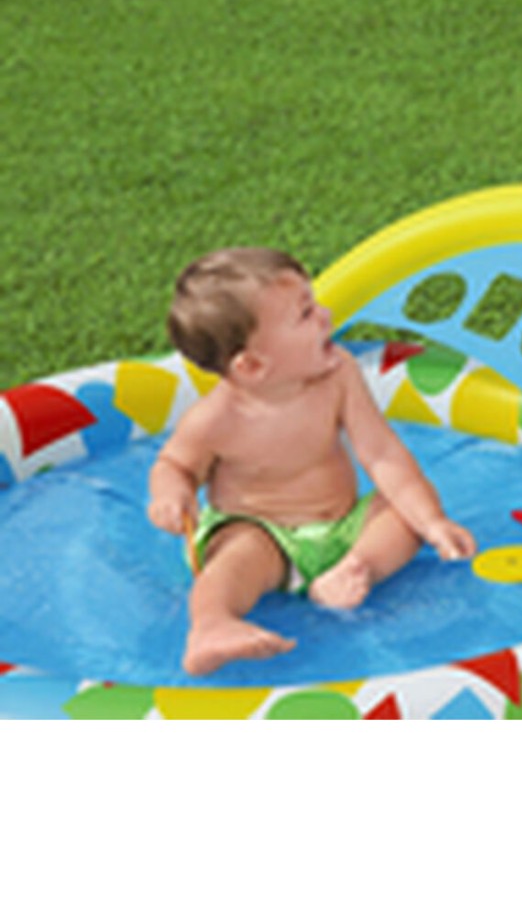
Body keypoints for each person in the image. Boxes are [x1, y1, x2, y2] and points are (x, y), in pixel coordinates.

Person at [147, 247, 477, 677]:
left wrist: (432, 521)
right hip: (265, 534)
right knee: (235, 556)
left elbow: (382, 454)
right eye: (305, 314)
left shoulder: (338, 375)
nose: (326, 315)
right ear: (252, 365)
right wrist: (171, 494)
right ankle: (212, 625)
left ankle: (354, 569)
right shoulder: (215, 420)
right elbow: (174, 465)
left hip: (343, 526)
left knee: (401, 514)